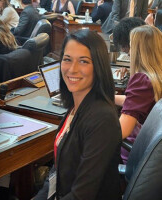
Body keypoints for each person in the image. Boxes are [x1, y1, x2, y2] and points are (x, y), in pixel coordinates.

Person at [34, 29, 122, 200]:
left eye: (83, 61)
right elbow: (57, 171)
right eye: (67, 59)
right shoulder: (76, 107)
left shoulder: (102, 119)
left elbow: (83, 195)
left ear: (98, 66)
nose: (72, 69)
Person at [115, 25, 162, 164]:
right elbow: (135, 101)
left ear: (138, 50)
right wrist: (106, 97)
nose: (129, 53)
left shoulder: (142, 80)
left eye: (130, 47)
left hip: (134, 156)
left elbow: (121, 131)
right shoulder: (155, 78)